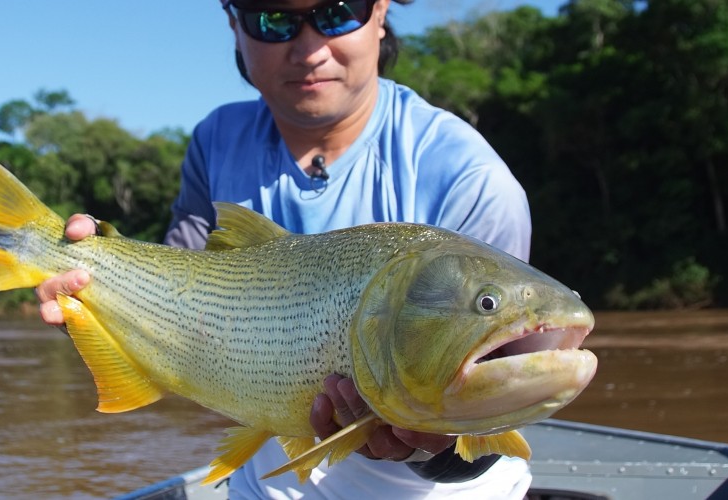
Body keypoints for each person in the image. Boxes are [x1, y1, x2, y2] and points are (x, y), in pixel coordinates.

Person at [36, 0, 533, 497]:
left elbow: (490, 435)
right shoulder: (217, 138)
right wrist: (99, 300)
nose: (310, 48)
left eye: (338, 12)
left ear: (380, 12)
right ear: (235, 25)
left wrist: (425, 444)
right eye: (274, 20)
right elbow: (180, 293)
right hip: (263, 484)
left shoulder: (471, 181)